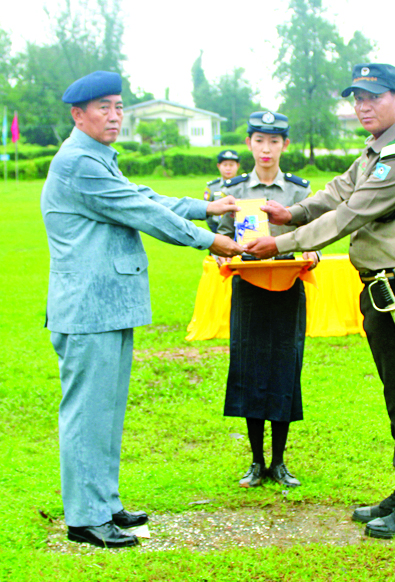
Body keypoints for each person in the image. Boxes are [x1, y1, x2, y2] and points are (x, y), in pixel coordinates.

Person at [43, 71, 242, 548]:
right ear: (78, 115)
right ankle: (85, 518)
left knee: (106, 412)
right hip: (88, 309)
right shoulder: (78, 163)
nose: (115, 116)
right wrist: (210, 240)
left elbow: (146, 196)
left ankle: (104, 502)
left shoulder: (98, 157)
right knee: (87, 414)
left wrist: (207, 208)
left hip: (107, 304)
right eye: (103, 108)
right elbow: (143, 212)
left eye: (118, 106)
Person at [243, 63, 395, 539]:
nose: (363, 106)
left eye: (374, 96)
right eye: (357, 98)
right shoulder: (377, 149)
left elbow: (349, 215)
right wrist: (291, 213)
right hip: (382, 285)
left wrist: (280, 243)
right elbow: (337, 192)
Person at [215, 111, 318, 489]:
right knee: (250, 368)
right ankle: (256, 461)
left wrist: (314, 252)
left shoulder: (299, 191)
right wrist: (220, 253)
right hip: (249, 287)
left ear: (285, 145)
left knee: (284, 367)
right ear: (249, 143)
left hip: (288, 286)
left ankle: (279, 461)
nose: (266, 149)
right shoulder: (236, 190)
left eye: (274, 141)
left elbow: (313, 233)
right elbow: (222, 235)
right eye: (259, 140)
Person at [204, 149, 241, 233]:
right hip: (218, 229)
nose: (228, 168)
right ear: (218, 166)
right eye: (225, 165)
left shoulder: (243, 185)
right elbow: (207, 211)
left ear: (238, 165)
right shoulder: (212, 187)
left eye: (231, 165)